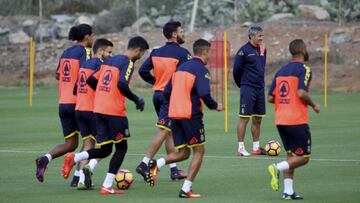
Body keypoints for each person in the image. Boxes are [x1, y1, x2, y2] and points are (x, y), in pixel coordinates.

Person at [61, 36, 149, 195]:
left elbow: (90, 80)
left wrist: (103, 93)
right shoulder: (127, 62)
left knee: (106, 149)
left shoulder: (109, 61)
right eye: (141, 54)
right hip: (114, 111)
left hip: (99, 110)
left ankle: (74, 158)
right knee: (122, 148)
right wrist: (136, 99)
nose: (140, 57)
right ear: (138, 50)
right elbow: (122, 83)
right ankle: (107, 186)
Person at [146, 39, 223, 198]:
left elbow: (167, 91)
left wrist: (175, 104)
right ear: (204, 52)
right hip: (190, 115)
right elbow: (204, 93)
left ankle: (156, 163)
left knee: (184, 153)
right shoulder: (200, 69)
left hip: (174, 114)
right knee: (199, 150)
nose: (210, 57)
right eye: (210, 53)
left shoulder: (180, 68)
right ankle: (186, 189)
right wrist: (215, 106)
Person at [35, 24, 94, 183]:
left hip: (63, 103)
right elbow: (86, 74)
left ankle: (45, 159)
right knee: (90, 141)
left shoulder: (66, 52)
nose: (93, 39)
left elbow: (57, 74)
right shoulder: (85, 52)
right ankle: (78, 178)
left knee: (71, 144)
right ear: (88, 37)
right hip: (78, 104)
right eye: (92, 36)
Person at [136, 21, 192, 181]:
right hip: (171, 98)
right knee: (164, 130)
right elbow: (188, 75)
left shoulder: (156, 52)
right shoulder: (183, 53)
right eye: (181, 31)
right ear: (174, 34)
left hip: (157, 96)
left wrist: (157, 82)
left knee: (169, 132)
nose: (184, 33)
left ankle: (173, 170)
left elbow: (143, 71)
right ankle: (144, 163)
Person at [267, 39, 320, 200]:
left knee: (291, 156)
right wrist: (313, 105)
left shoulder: (281, 70)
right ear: (303, 50)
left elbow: (270, 97)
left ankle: (288, 191)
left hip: (280, 120)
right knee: (303, 158)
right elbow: (301, 93)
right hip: (296, 119)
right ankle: (276, 167)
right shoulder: (304, 69)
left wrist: (284, 102)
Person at [73, 38, 114, 189]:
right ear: (101, 51)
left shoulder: (84, 64)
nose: (110, 55)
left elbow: (75, 89)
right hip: (92, 110)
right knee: (105, 147)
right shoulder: (100, 65)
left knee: (88, 145)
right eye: (109, 52)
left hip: (79, 109)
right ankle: (87, 170)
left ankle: (81, 180)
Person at [233, 26, 267, 156]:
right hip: (247, 88)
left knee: (258, 119)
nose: (261, 38)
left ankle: (256, 148)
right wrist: (242, 84)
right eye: (259, 36)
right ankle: (241, 148)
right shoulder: (243, 51)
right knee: (244, 118)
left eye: (262, 36)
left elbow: (262, 67)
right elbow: (236, 70)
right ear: (252, 36)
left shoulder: (263, 49)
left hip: (260, 88)